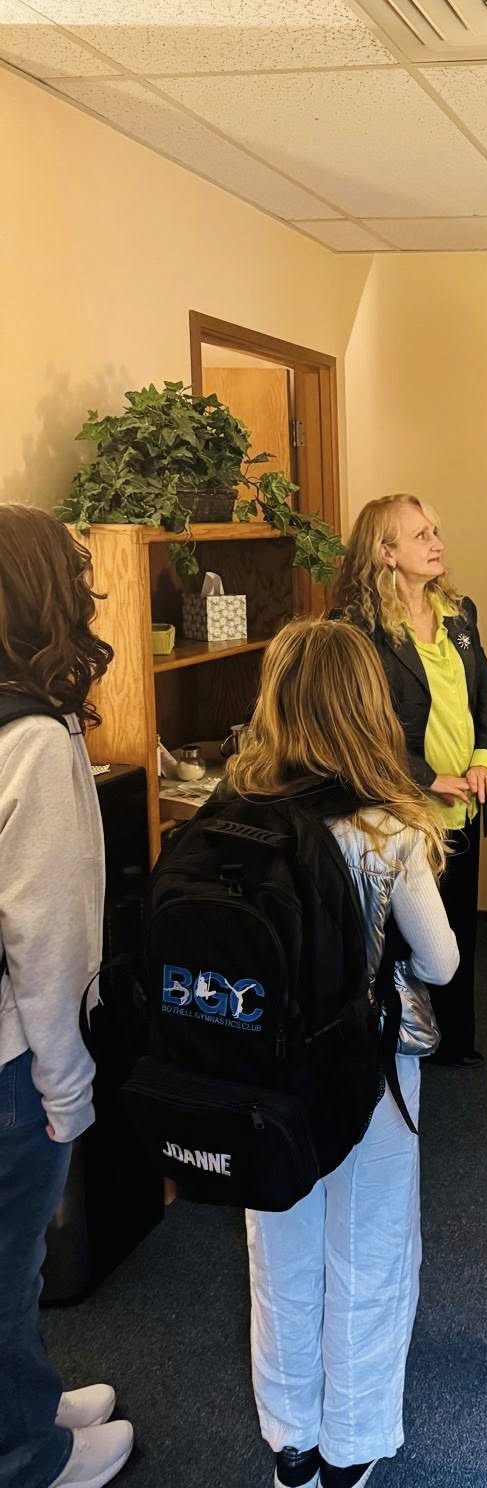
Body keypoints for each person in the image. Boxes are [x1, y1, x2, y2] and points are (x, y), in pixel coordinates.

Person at [226, 618, 458, 1488]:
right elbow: (440, 962)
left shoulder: (234, 815)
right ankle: (350, 1444)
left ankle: (289, 1437)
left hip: (262, 1070)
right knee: (369, 1243)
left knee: (280, 1243)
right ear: (367, 709)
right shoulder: (386, 829)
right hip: (370, 1070)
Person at [0, 505, 132, 1488]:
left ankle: (30, 1401)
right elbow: (46, 941)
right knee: (10, 1268)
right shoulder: (35, 741)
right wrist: (67, 1090)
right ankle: (29, 1456)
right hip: (12, 1059)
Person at [332, 495, 487, 1067]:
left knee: (457, 929)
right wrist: (429, 779)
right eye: (421, 535)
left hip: (464, 804)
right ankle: (403, 1040)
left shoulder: (459, 613)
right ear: (386, 553)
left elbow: (486, 696)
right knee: (406, 938)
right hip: (404, 808)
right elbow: (361, 725)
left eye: (435, 531)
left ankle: (454, 1041)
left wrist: (486, 760)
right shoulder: (356, 630)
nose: (437, 543)